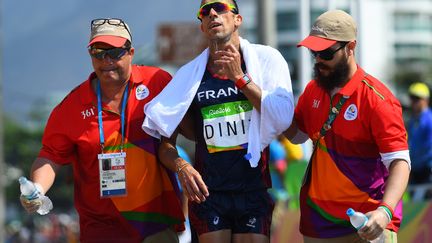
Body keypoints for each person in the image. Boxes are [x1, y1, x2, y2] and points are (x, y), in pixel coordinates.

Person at [20, 18, 184, 243]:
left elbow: (188, 123)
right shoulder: (71, 106)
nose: (106, 60)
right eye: (98, 52)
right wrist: (37, 188)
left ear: (130, 52)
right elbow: (50, 155)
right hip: (101, 228)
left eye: (115, 52)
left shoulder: (157, 82)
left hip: (154, 223)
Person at [142, 1, 294, 242]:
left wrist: (240, 79)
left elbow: (282, 117)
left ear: (238, 20)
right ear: (202, 27)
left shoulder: (266, 59)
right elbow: (165, 144)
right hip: (209, 194)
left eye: (220, 7)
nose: (212, 13)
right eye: (205, 11)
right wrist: (183, 167)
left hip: (253, 188)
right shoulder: (189, 76)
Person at [284, 10, 411, 243]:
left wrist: (385, 212)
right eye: (314, 52)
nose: (318, 59)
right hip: (319, 222)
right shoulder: (312, 90)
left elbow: (399, 162)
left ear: (350, 47)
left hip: (368, 220)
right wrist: (259, 97)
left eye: (326, 52)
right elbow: (296, 136)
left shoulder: (378, 99)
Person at [407, 82, 432, 184]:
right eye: (412, 98)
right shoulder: (413, 120)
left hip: (427, 169)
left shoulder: (429, 119)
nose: (413, 101)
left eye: (417, 98)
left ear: (426, 100)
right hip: (415, 169)